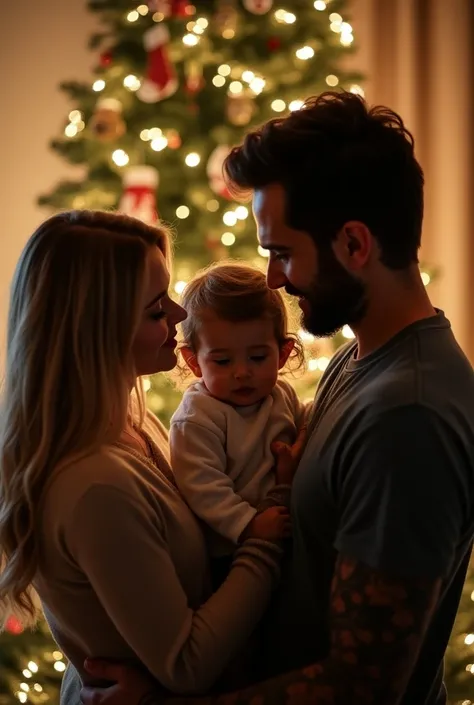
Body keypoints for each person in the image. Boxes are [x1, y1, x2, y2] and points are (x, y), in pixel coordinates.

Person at [80, 91, 474, 705]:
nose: (273, 280)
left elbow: (361, 686)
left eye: (283, 252)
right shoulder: (363, 358)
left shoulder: (408, 417)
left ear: (354, 244)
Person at [0, 210, 294, 703]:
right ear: (98, 327)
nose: (181, 317)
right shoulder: (94, 484)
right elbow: (187, 662)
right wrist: (263, 541)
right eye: (157, 310)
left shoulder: (134, 425)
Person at [170, 262, 308, 586]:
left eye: (258, 357)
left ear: (283, 353)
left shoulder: (279, 393)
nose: (242, 372)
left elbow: (304, 420)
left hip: (284, 532)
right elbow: (202, 487)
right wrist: (249, 524)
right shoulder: (198, 418)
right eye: (222, 361)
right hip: (229, 551)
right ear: (194, 362)